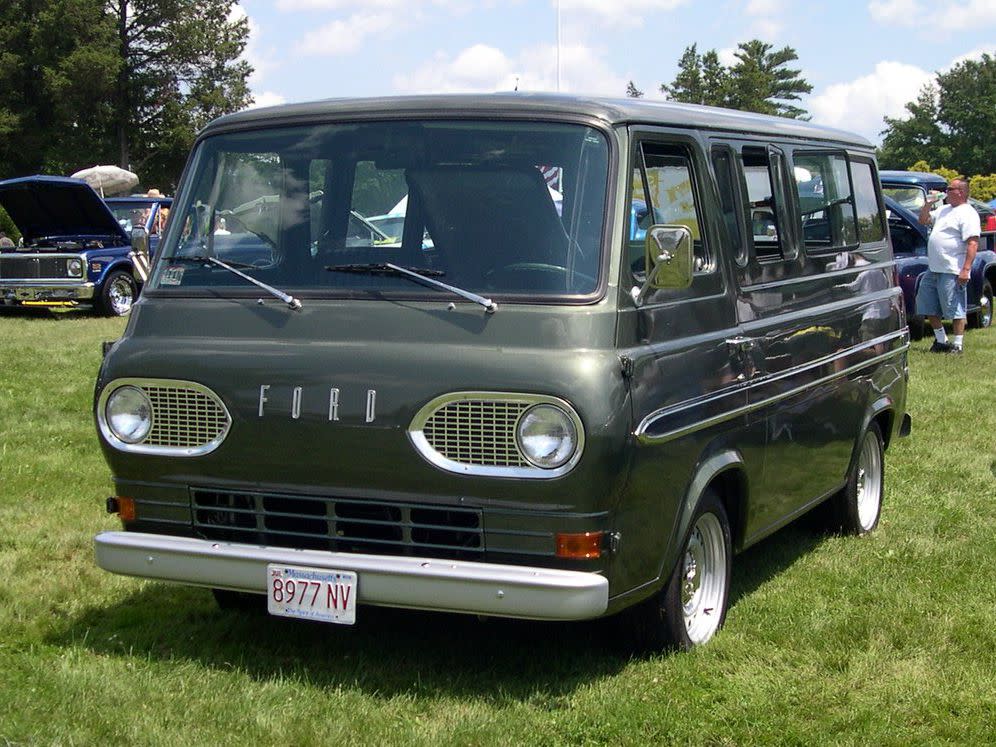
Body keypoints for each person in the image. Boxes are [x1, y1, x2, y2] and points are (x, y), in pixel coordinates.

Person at [914, 178, 980, 354]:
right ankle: (941, 340)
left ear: (961, 192)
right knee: (926, 304)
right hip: (934, 268)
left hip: (952, 269)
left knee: (955, 308)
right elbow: (922, 220)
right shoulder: (943, 210)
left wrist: (965, 269)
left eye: (949, 188)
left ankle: (957, 345)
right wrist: (928, 204)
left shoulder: (968, 213)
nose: (946, 191)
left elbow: (973, 243)